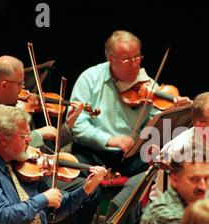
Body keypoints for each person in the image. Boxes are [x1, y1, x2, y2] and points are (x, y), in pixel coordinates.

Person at [0, 55, 99, 224]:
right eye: (20, 84)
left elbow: (41, 151)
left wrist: (67, 126)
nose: (25, 90)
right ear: (4, 84)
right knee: (67, 193)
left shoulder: (17, 107)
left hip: (29, 172)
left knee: (88, 187)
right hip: (8, 180)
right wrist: (38, 133)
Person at [69, 29, 191, 177]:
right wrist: (110, 140)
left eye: (138, 57)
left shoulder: (148, 86)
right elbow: (77, 125)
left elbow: (155, 126)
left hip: (131, 156)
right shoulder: (89, 79)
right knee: (77, 173)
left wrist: (172, 113)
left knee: (161, 169)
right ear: (111, 59)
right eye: (127, 59)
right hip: (92, 152)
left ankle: (126, 199)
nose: (135, 65)